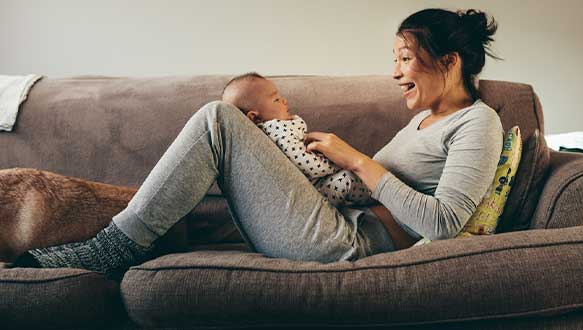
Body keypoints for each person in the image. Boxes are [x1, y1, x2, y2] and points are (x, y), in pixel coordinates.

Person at [12, 8, 504, 274]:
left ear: (450, 61)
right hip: (335, 221)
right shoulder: (424, 122)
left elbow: (443, 224)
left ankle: (114, 247)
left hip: (348, 243)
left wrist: (353, 159)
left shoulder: (477, 124)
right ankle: (121, 240)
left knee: (218, 120)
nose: (394, 72)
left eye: (404, 58)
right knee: (219, 135)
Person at [221, 73, 373, 207]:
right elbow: (306, 165)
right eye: (276, 99)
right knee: (347, 179)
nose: (284, 101)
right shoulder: (276, 130)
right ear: (255, 117)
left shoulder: (275, 129)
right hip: (313, 196)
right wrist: (340, 162)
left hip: (315, 186)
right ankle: (375, 194)